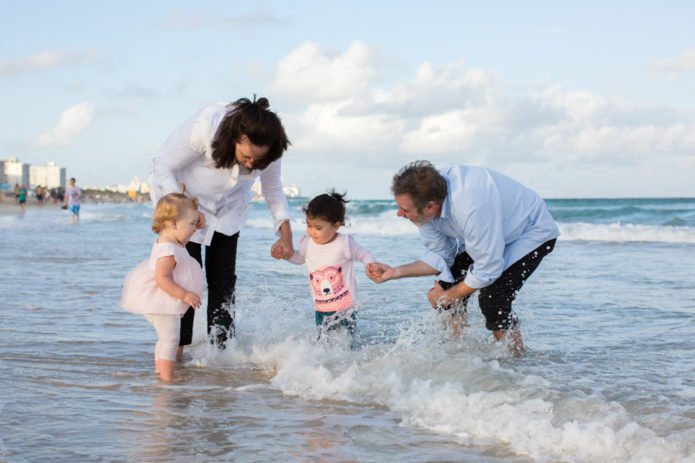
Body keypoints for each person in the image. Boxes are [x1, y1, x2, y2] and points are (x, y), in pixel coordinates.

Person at [367, 161, 560, 353]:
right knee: (446, 283)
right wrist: (396, 272)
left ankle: (515, 360)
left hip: (530, 231)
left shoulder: (471, 208)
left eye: (405, 210)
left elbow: (487, 270)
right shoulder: (426, 200)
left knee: (493, 298)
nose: (399, 213)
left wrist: (447, 297)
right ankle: (460, 355)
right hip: (491, 229)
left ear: (430, 207)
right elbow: (441, 255)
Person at [148, 96, 293, 351]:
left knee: (223, 283)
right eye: (246, 157)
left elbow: (273, 188)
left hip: (228, 208)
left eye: (257, 162)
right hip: (182, 200)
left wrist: (285, 232)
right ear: (236, 137)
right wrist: (185, 208)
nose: (251, 166)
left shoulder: (271, 148)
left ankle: (222, 360)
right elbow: (163, 166)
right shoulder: (207, 126)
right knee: (185, 279)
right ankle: (177, 354)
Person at [120, 193, 205, 381]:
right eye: (191, 224)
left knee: (166, 338)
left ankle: (161, 371)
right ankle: (167, 378)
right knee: (171, 340)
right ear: (173, 223)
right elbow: (162, 278)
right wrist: (184, 294)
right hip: (163, 303)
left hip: (164, 302)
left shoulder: (172, 241)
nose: (194, 229)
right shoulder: (168, 249)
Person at [285, 191, 375, 339]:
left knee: (345, 342)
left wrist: (371, 264)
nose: (312, 231)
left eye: (318, 228)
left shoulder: (344, 243)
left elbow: (363, 254)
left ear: (336, 226)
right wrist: (287, 255)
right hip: (321, 307)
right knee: (323, 341)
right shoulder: (307, 244)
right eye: (308, 225)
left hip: (345, 308)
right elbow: (300, 258)